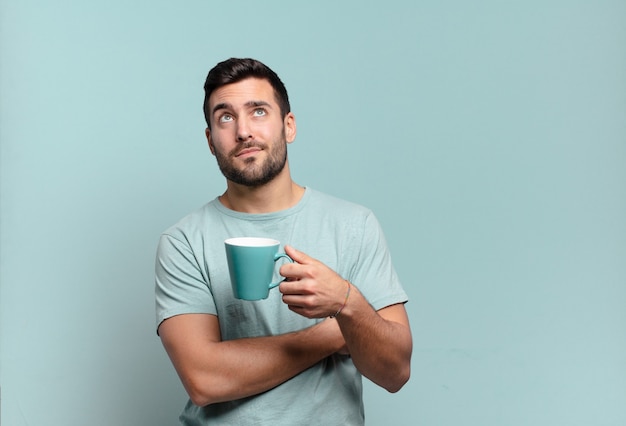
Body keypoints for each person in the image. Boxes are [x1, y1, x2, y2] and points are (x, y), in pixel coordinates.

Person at [155, 57, 412, 425]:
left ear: (288, 126)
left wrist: (346, 300)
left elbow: (396, 372)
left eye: (258, 111)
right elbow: (204, 380)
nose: (243, 131)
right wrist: (333, 334)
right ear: (211, 141)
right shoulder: (183, 242)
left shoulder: (354, 225)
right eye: (225, 117)